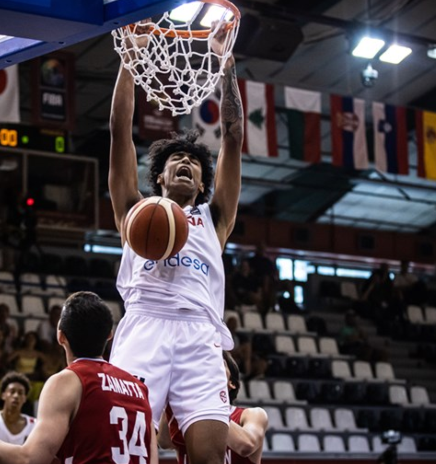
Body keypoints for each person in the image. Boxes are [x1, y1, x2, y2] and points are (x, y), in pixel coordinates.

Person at [108, 21, 242, 464]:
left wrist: (226, 66)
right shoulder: (134, 211)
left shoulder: (214, 217)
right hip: (143, 323)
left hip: (200, 334)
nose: (184, 161)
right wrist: (130, 60)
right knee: (127, 450)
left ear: (202, 181)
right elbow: (118, 131)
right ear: (159, 177)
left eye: (192, 161)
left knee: (208, 455)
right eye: (174, 159)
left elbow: (234, 139)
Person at [0, 291, 156, 464]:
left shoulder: (68, 381)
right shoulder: (139, 388)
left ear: (60, 336)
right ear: (110, 334)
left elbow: (28, 461)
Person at [160, 351, 268, 464]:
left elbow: (246, 446)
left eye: (217, 365)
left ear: (231, 383)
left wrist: (204, 404)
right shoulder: (183, 413)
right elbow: (164, 442)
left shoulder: (253, 414)